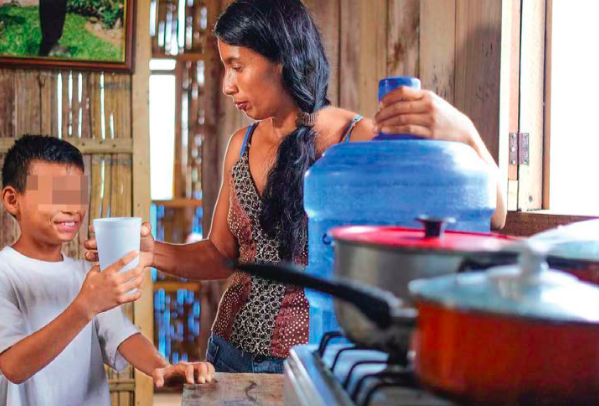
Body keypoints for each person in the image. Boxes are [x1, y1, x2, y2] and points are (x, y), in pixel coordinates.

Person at [86, 0, 506, 374]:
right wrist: (151, 253)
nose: (227, 85)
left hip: (312, 362)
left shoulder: (357, 139)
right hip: (226, 355)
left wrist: (464, 132)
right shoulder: (241, 144)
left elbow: (494, 214)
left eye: (237, 66)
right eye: (224, 68)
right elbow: (220, 255)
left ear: (281, 60)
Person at [0, 135, 214, 405]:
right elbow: (14, 366)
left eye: (78, 194)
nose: (73, 208)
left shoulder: (88, 274)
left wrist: (161, 367)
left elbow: (121, 334)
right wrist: (86, 305)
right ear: (13, 200)